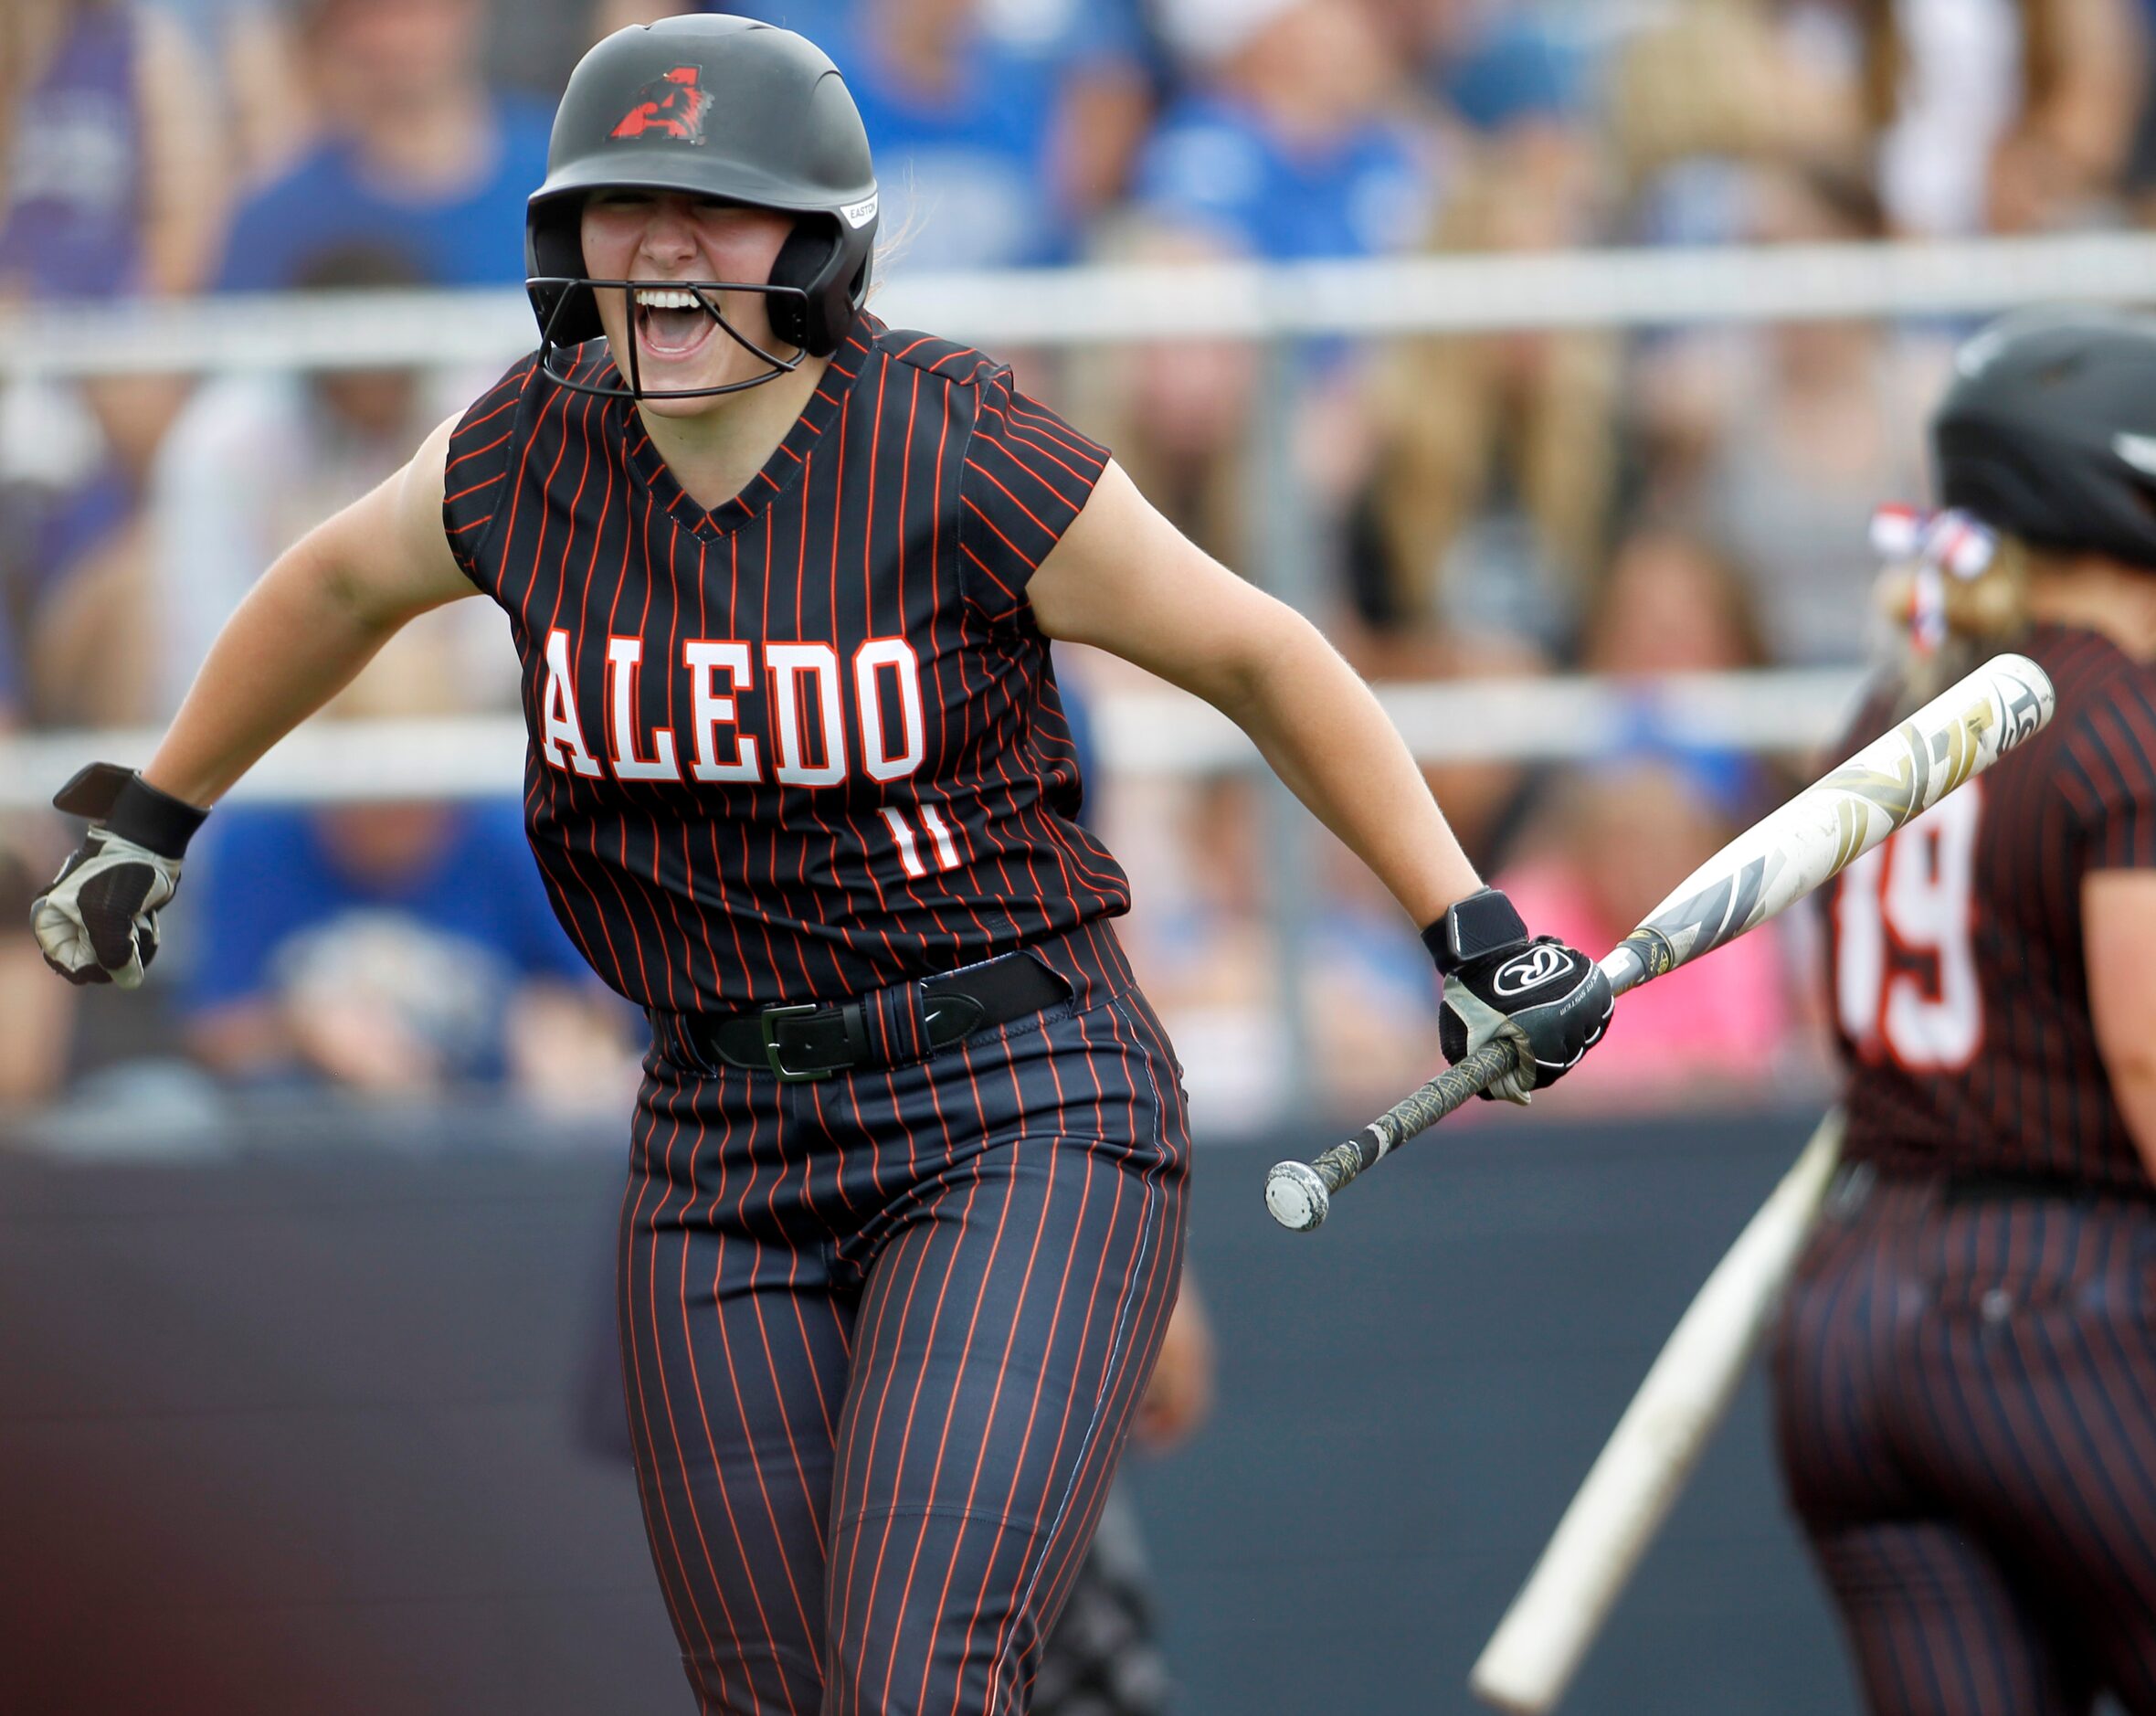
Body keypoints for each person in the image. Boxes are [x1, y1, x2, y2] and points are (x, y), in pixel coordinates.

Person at [27, 17, 1614, 1713]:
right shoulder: (528, 446)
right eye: (623, 208)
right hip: (715, 1132)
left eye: (716, 208)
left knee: (917, 1674)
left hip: (1014, 1096)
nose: (663, 249)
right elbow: (334, 586)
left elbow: (1260, 654)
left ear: (823, 242)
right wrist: (155, 815)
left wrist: (1472, 925)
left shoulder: (956, 444)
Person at [1770, 308, 2156, 1716]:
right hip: (2063, 1305)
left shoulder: (1894, 704)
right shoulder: (2125, 721)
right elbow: (2148, 1047)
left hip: (1852, 1318)